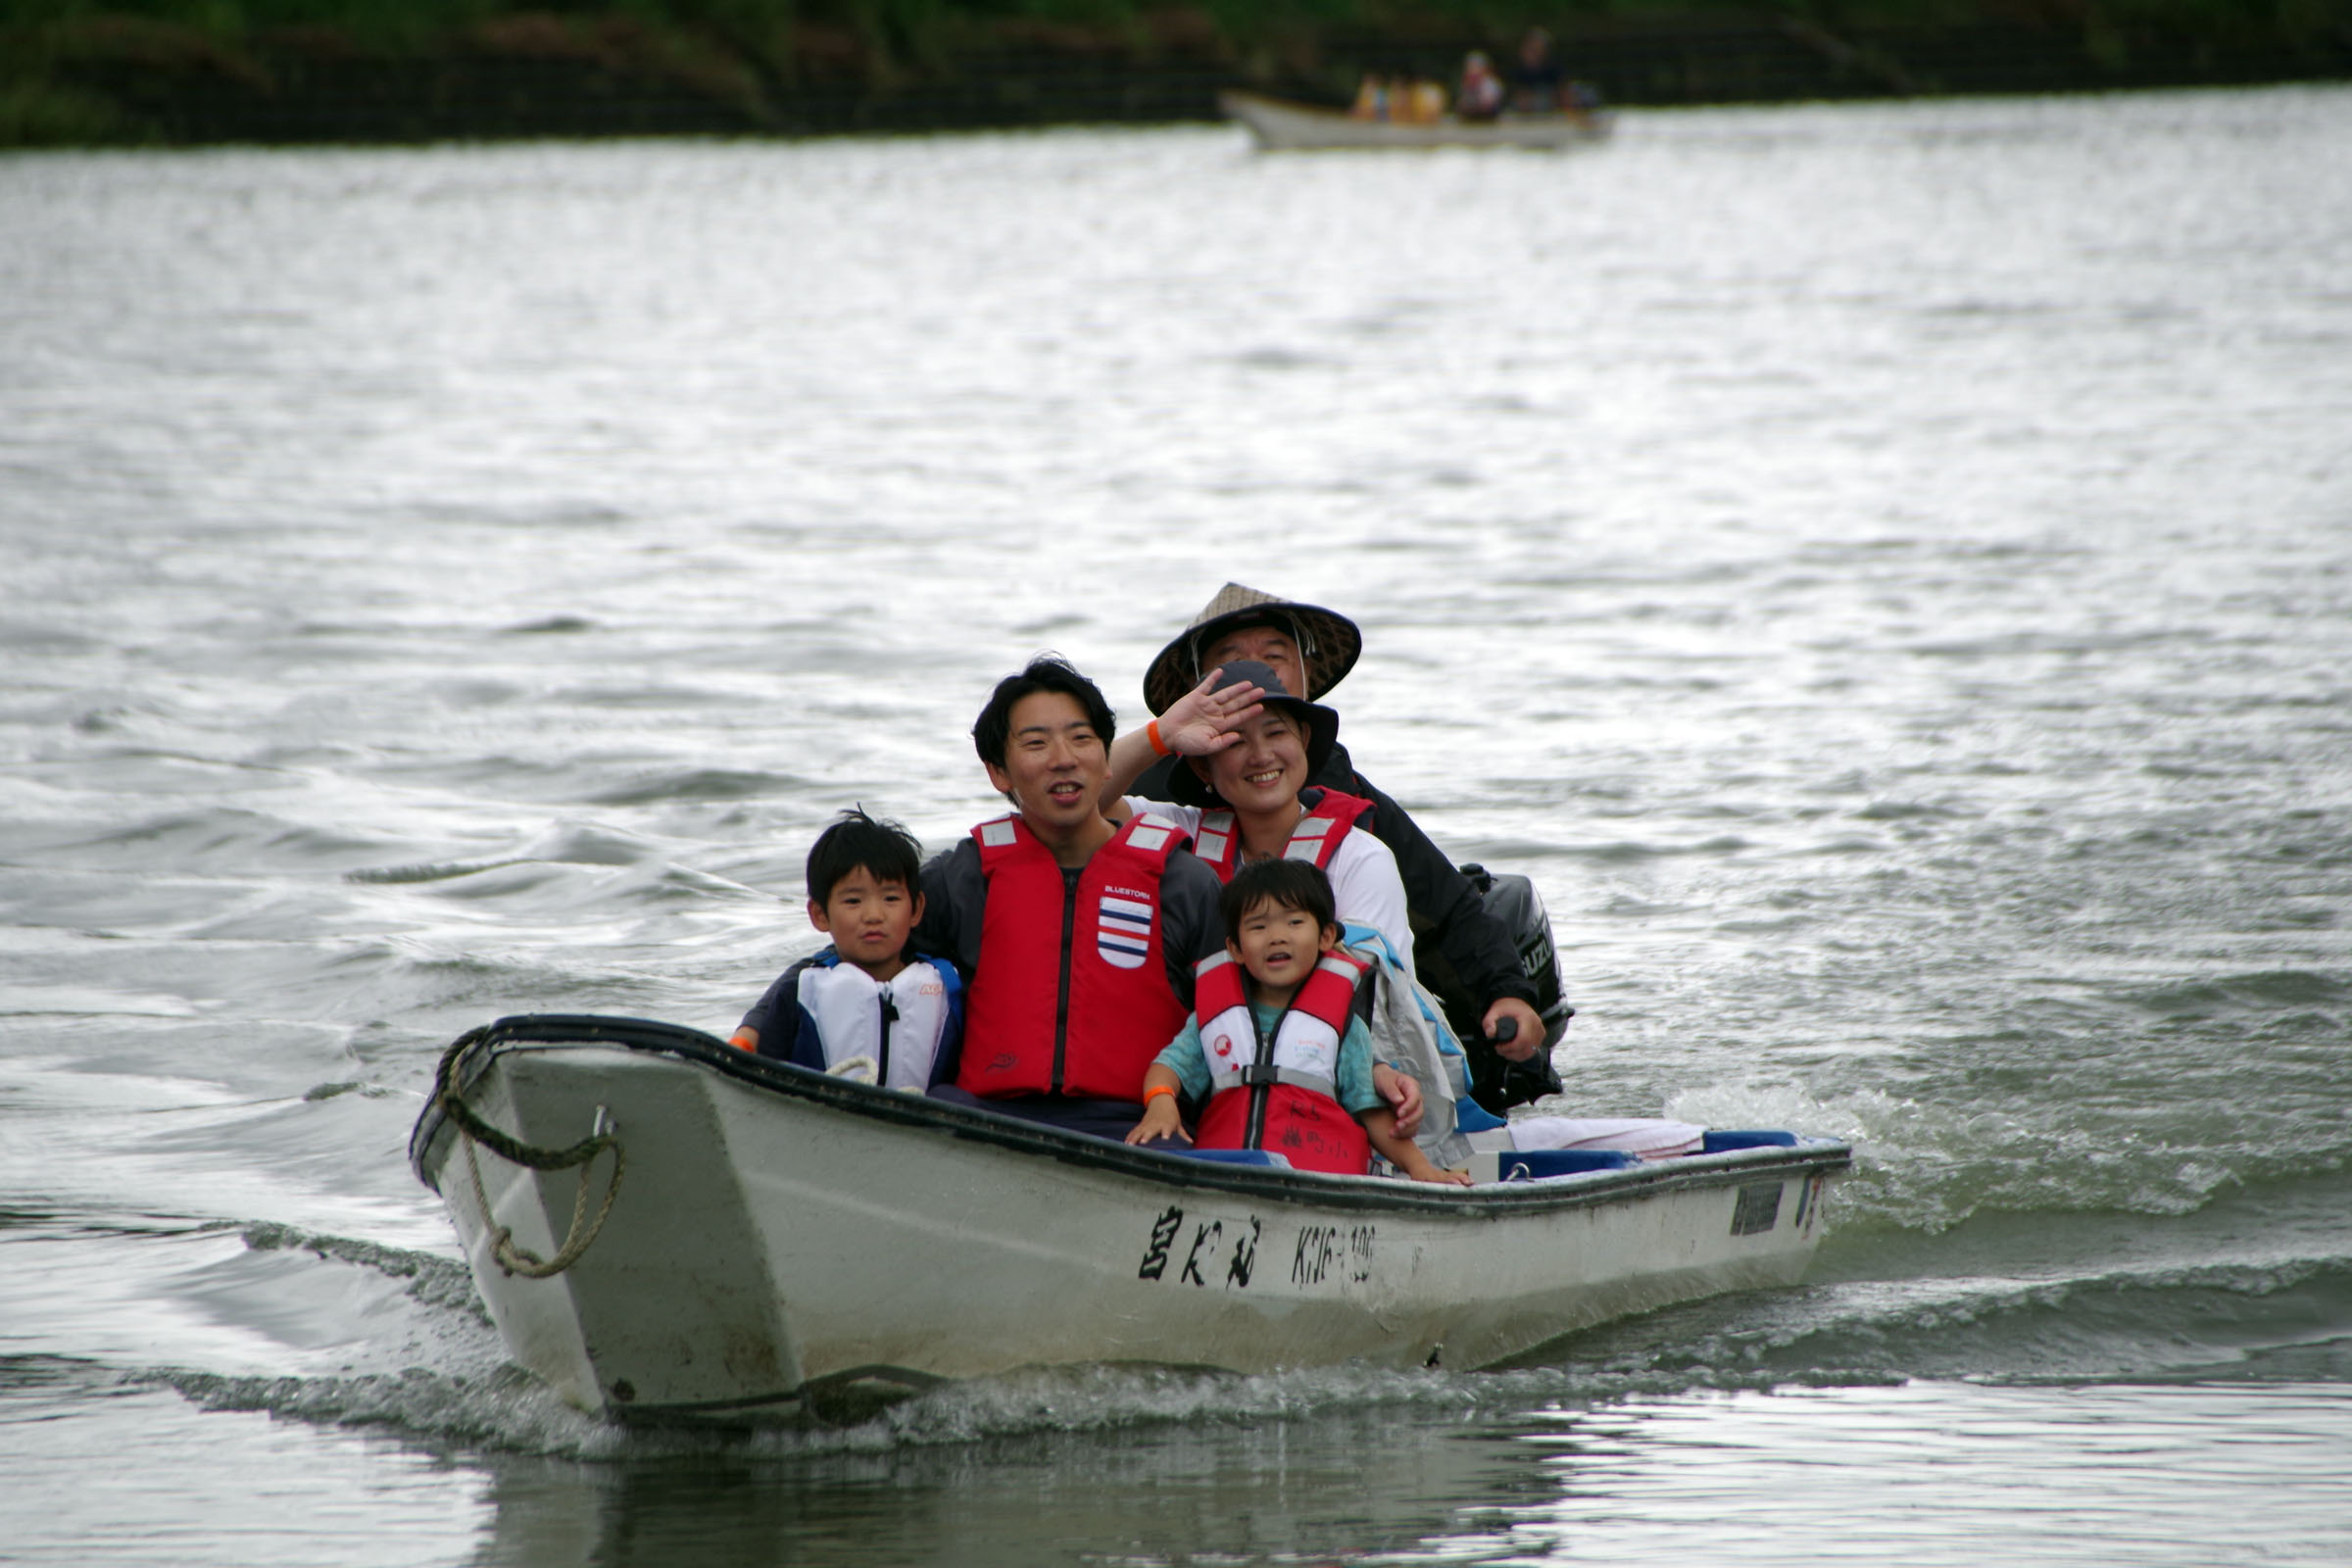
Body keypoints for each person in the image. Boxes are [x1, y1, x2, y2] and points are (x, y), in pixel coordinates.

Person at [1134, 584, 1557, 1111]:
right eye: (1232, 663)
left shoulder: (1359, 827)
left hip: (1332, 1073)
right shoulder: (1166, 792)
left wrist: (1507, 990)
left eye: (1274, 657)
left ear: (1304, 683)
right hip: (1192, 1052)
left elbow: (1447, 909)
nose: (1256, 675)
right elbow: (1072, 806)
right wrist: (1159, 737)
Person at [916, 656, 1225, 1141]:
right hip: (984, 1121)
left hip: (1137, 1130)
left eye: (1082, 739)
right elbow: (861, 952)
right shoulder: (960, 876)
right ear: (999, 772)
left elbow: (1236, 1014)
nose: (1064, 757)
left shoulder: (1185, 883)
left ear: (1105, 760)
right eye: (1036, 743)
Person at [1127, 859, 1469, 1185]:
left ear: (1325, 937)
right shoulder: (1213, 1020)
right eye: (1258, 927)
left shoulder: (1344, 1028)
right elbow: (1166, 1069)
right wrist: (1160, 1102)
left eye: (1294, 923)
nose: (1277, 937)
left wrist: (1422, 1168)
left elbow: (1372, 1113)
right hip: (1225, 1177)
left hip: (1314, 1181)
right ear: (1235, 948)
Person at [729, 807, 963, 1091]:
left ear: (916, 909)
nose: (874, 915)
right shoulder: (801, 990)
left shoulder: (947, 988)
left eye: (891, 898)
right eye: (853, 901)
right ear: (820, 915)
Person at [1457, 51, 1505, 122]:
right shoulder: (1466, 84)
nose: (1472, 70)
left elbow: (1487, 105)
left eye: (1475, 67)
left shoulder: (1491, 84)